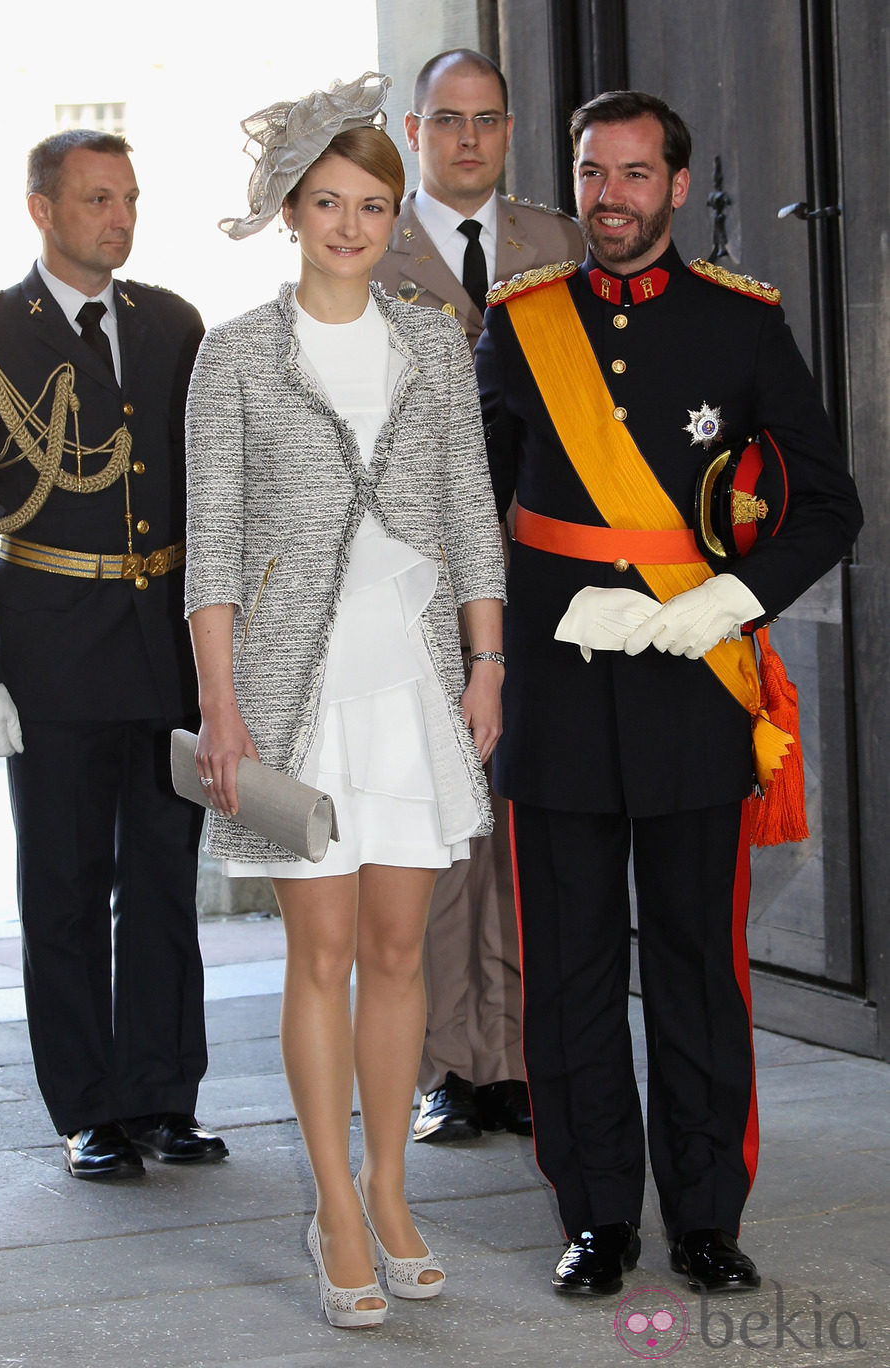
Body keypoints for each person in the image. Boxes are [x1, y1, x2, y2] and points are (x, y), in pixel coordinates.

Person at [475, 90, 863, 1298]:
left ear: (677, 188)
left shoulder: (739, 327)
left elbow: (825, 502)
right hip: (556, 697)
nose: (610, 199)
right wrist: (525, 623)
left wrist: (724, 603)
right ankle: (595, 1215)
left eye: (635, 176)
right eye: (593, 173)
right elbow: (461, 509)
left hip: (695, 693)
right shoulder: (521, 323)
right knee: (574, 970)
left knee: (699, 965)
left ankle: (704, 1214)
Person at [184, 73, 505, 1328]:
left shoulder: (433, 337)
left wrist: (485, 666)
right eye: (329, 203)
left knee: (396, 952)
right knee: (318, 956)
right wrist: (221, 707)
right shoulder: (236, 355)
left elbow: (474, 516)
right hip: (292, 691)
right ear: (291, 212)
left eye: (374, 205)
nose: (353, 227)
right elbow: (210, 549)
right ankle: (329, 1203)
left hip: (414, 685)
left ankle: (389, 1187)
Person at [0, 129, 227, 1180]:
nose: (121, 219)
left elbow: (206, 489)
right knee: (62, 884)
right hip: (47, 652)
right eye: (98, 200)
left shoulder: (174, 323)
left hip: (161, 650)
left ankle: (162, 1095)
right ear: (42, 210)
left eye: (130, 198)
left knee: (161, 881)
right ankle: (88, 1108)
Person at [373, 47, 582, 1147]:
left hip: (539, 574)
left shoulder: (555, 242)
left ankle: (515, 1051)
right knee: (438, 824)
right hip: (415, 581)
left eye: (486, 121)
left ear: (509, 131)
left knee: (522, 822)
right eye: (446, 121)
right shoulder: (368, 237)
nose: (466, 140)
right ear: (413, 132)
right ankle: (446, 1062)